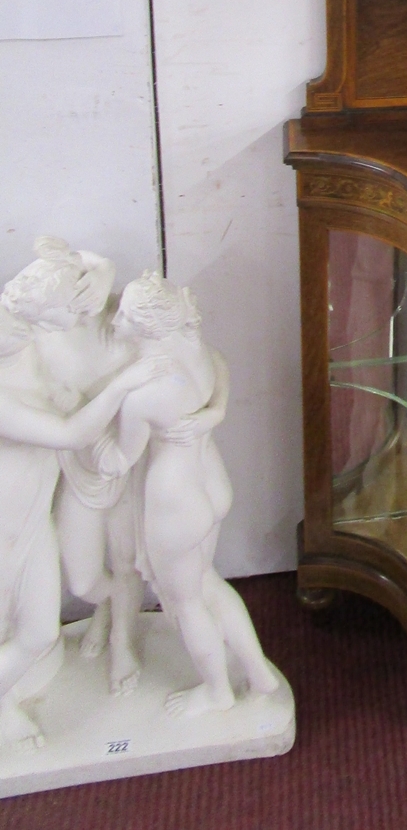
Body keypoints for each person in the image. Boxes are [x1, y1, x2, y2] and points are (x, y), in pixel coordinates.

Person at [4, 238, 229, 696]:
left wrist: (215, 412)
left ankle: (123, 641)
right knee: (85, 578)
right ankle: (103, 608)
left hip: (126, 467)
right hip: (81, 468)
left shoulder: (121, 324)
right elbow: (72, 433)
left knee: (126, 562)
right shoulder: (29, 336)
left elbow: (207, 357)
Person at [103, 273, 277, 718]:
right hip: (211, 483)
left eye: (125, 314)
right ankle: (259, 673)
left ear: (147, 327)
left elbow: (121, 458)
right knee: (207, 583)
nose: (116, 318)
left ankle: (216, 691)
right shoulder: (197, 350)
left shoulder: (143, 394)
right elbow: (222, 368)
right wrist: (213, 413)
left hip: (175, 499)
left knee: (184, 601)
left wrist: (99, 413)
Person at [0, 293, 166, 750]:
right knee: (30, 622)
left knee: (39, 632)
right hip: (5, 537)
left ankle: (115, 637)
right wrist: (120, 387)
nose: (13, 324)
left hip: (33, 530)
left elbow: (74, 282)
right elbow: (70, 433)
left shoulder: (31, 350)